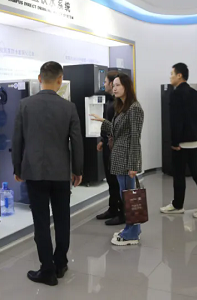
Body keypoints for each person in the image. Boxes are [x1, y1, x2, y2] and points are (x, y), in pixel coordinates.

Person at [12, 61, 83, 286]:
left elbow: (17, 139)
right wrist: (78, 170)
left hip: (34, 172)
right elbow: (77, 142)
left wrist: (17, 168)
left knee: (41, 222)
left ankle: (47, 270)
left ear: (39, 79)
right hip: (61, 173)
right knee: (62, 219)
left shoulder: (25, 105)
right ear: (60, 80)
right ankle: (60, 263)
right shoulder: (69, 107)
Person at [91, 73, 144, 246]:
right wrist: (103, 121)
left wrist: (134, 165)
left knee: (129, 198)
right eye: (113, 85)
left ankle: (132, 233)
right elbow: (116, 131)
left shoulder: (134, 108)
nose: (114, 88)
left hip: (126, 160)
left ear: (126, 86)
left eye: (118, 85)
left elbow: (135, 138)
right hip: (119, 159)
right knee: (125, 196)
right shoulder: (122, 107)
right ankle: (132, 229)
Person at [160, 63, 197, 219]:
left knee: (178, 174)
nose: (170, 77)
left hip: (182, 143)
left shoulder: (176, 94)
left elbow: (176, 121)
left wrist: (174, 142)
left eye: (172, 74)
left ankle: (177, 205)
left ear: (179, 75)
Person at [95, 70, 125, 226]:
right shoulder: (110, 101)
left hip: (115, 147)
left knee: (116, 180)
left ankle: (121, 212)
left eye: (106, 82)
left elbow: (115, 127)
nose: (104, 84)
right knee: (111, 180)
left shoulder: (120, 104)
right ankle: (113, 208)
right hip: (108, 144)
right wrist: (102, 140)